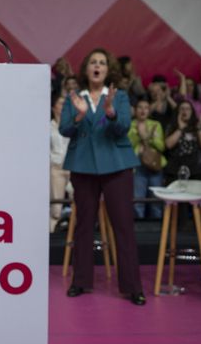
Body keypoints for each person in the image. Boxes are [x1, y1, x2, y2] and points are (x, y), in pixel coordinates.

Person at [60, 48, 145, 306]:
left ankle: (133, 287)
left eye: (102, 63)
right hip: (83, 167)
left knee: (123, 227)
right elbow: (65, 129)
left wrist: (109, 112)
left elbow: (123, 128)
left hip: (117, 167)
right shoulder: (74, 97)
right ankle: (80, 281)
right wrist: (80, 115)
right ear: (86, 69)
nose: (97, 66)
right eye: (93, 62)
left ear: (108, 70)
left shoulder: (117, 97)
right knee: (84, 225)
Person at [128, 97, 165, 220]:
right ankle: (139, 228)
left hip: (154, 163)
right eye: (140, 108)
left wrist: (149, 138)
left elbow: (161, 146)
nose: (143, 111)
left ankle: (158, 226)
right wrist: (138, 135)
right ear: (135, 110)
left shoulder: (156, 124)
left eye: (146, 108)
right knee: (138, 198)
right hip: (137, 164)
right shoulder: (129, 125)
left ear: (149, 110)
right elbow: (128, 145)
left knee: (156, 197)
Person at [49, 93, 70, 232]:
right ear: (53, 107)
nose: (63, 107)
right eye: (60, 104)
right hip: (56, 169)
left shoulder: (72, 125)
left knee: (80, 202)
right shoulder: (47, 127)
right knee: (56, 207)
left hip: (73, 168)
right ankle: (51, 234)